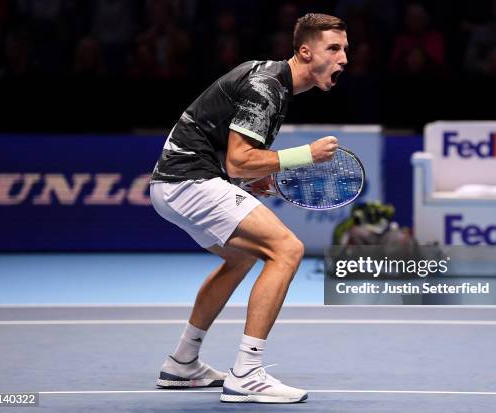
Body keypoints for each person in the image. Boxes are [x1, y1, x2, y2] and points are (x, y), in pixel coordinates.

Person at [149, 13, 348, 403]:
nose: (344, 59)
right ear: (305, 52)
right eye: (334, 49)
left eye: (346, 50)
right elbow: (239, 160)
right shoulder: (267, 86)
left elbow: (230, 156)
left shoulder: (273, 81)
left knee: (240, 259)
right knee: (287, 250)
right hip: (187, 180)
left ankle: (182, 363)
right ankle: (248, 373)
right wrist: (304, 155)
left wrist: (248, 179)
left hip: (176, 181)